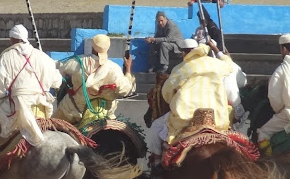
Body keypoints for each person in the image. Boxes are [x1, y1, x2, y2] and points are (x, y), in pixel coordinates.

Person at [146, 39, 233, 168]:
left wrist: (173, 101)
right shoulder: (216, 64)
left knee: (155, 127)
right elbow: (229, 64)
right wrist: (217, 50)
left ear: (183, 53)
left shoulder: (181, 69)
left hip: (186, 117)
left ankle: (157, 162)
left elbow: (166, 92)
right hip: (216, 116)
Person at [0, 25, 62, 147]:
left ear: (12, 39)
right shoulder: (43, 56)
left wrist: (0, 97)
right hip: (42, 106)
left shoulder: (7, 56)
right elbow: (57, 82)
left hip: (16, 106)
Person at [54, 34, 135, 126]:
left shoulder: (77, 62)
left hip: (73, 111)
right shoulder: (114, 69)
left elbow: (57, 67)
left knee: (51, 127)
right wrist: (128, 70)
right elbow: (126, 90)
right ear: (108, 49)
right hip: (105, 114)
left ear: (93, 47)